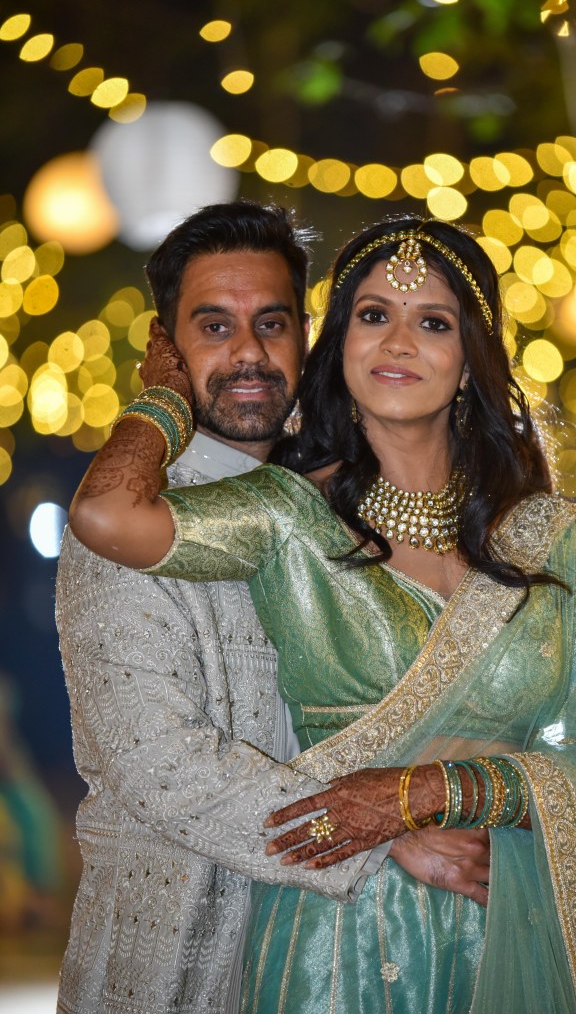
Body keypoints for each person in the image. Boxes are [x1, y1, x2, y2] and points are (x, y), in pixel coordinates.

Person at [68, 213, 576, 1013]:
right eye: (375, 315)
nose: (398, 343)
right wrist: (164, 395)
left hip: (515, 927)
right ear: (341, 345)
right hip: (339, 946)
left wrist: (437, 790)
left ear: (471, 360)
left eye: (434, 323)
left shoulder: (557, 544)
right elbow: (104, 518)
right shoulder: (286, 514)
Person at [56, 203, 490, 1014]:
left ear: (306, 337)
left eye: (271, 323)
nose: (249, 353)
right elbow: (160, 765)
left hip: (358, 958)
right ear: (166, 346)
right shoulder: (131, 523)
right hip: (181, 957)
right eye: (213, 327)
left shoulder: (346, 504)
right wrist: (376, 837)